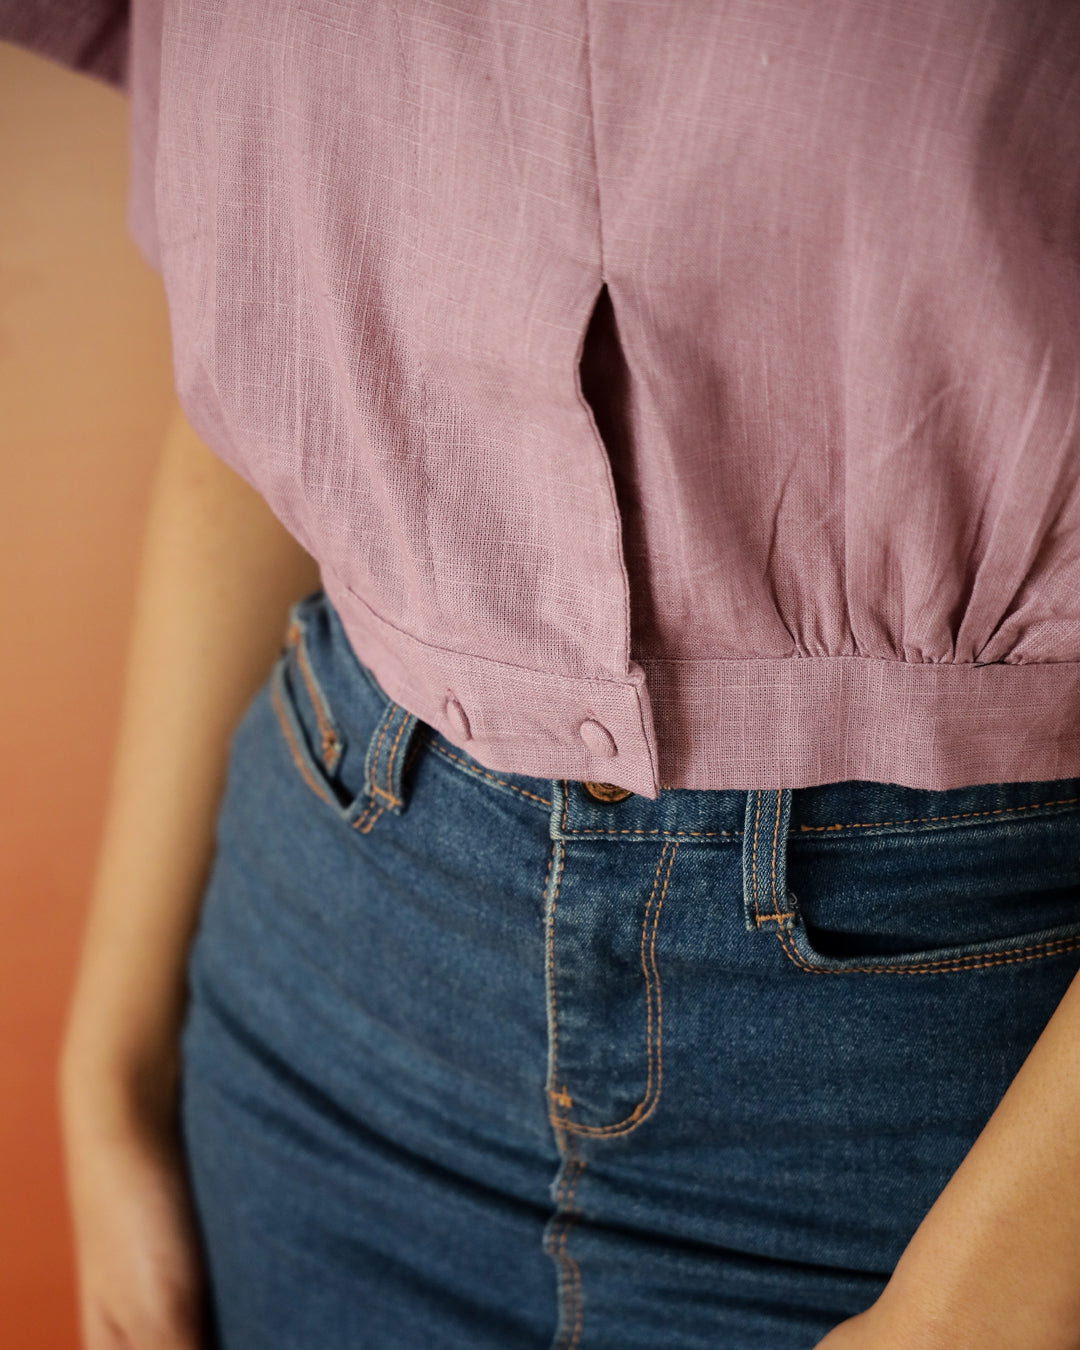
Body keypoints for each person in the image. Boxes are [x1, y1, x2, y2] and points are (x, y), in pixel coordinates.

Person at [5, 2, 1080, 1347]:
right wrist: (110, 1057)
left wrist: (991, 1297)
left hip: (966, 1088)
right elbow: (284, 367)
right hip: (327, 1011)